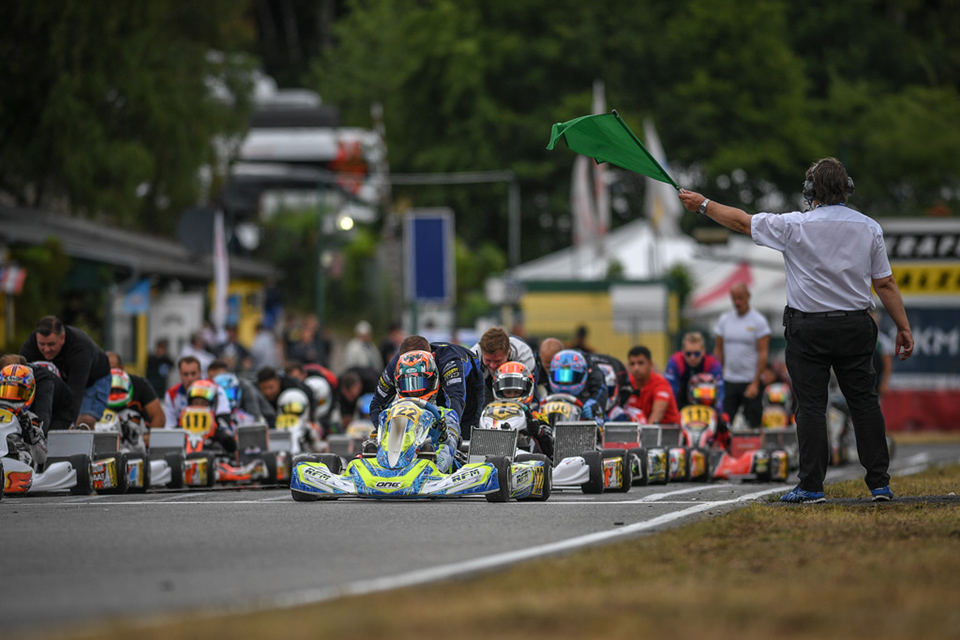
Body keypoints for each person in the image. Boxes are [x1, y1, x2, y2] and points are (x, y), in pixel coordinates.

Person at [678, 156, 913, 503]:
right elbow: (887, 284)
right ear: (847, 189)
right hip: (856, 325)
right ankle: (879, 483)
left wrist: (703, 205)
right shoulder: (869, 228)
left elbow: (742, 223)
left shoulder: (793, 225)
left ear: (809, 191)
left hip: (808, 328)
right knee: (864, 403)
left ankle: (812, 486)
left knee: (811, 407)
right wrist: (903, 327)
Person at [370, 335, 485, 440]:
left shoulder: (450, 361)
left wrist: (449, 431)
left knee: (460, 431)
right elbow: (377, 403)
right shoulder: (396, 365)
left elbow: (456, 399)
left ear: (432, 356)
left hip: (467, 384)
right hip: (431, 384)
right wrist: (384, 431)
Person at [19, 315, 111, 430]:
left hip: (92, 380)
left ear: (62, 338)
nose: (46, 349)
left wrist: (68, 425)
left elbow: (75, 394)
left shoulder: (79, 349)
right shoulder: (33, 342)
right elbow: (18, 371)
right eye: (42, 344)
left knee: (83, 421)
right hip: (62, 379)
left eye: (51, 344)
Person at [713, 284, 771, 429]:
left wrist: (756, 382)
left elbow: (763, 353)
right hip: (729, 380)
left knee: (754, 423)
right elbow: (718, 350)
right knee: (723, 423)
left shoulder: (758, 321)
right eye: (734, 299)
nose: (737, 302)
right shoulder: (725, 320)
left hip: (750, 381)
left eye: (740, 298)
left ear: (748, 297)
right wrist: (717, 376)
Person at [491, 361, 553, 458]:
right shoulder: (489, 414)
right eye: (508, 392)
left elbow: (551, 450)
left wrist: (538, 432)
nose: (512, 396)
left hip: (527, 462)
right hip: (492, 456)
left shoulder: (536, 416)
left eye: (516, 392)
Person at [0, 355, 74, 434]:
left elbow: (43, 414)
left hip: (59, 410)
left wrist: (35, 429)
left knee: (45, 437)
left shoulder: (43, 382)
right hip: (32, 403)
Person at [470, 327, 538, 404]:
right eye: (488, 360)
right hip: (486, 382)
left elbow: (531, 396)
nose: (492, 365)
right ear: (482, 354)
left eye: (497, 361)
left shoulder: (524, 355)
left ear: (508, 353)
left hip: (516, 380)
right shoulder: (472, 359)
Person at [0, 363, 47, 470]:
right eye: (5, 391)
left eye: (17, 393)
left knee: (21, 454)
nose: (10, 398)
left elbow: (41, 458)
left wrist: (30, 435)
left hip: (16, 461)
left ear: (30, 392)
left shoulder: (31, 419)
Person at [162, 356, 230, 428]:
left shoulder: (216, 389)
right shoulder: (171, 394)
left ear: (200, 373)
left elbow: (224, 420)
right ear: (180, 374)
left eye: (193, 373)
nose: (190, 378)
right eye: (185, 374)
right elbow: (170, 426)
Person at [665, 332, 725, 412]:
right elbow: (670, 391)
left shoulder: (712, 364)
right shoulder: (675, 361)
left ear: (703, 351)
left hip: (706, 405)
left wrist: (716, 414)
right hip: (680, 403)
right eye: (688, 354)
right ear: (682, 351)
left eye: (696, 354)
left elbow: (719, 394)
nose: (692, 358)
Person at [105, 353, 164, 432]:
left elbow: (159, 417)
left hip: (136, 437)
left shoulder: (139, 384)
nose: (110, 372)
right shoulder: (95, 385)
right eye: (105, 369)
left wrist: (148, 437)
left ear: (122, 368)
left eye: (113, 368)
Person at [624, 346, 681, 425]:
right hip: (641, 431)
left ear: (650, 364)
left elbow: (657, 415)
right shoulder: (626, 383)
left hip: (667, 432)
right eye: (632, 364)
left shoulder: (661, 384)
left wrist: (646, 434)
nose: (636, 368)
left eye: (640, 363)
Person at [208, 359, 275, 426]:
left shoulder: (245, 387)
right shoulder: (209, 388)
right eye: (213, 378)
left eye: (222, 376)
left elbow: (254, 417)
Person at [547, 349, 607, 421]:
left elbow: (599, 423)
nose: (564, 382)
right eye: (560, 376)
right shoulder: (546, 399)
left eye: (569, 376)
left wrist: (591, 412)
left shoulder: (588, 404)